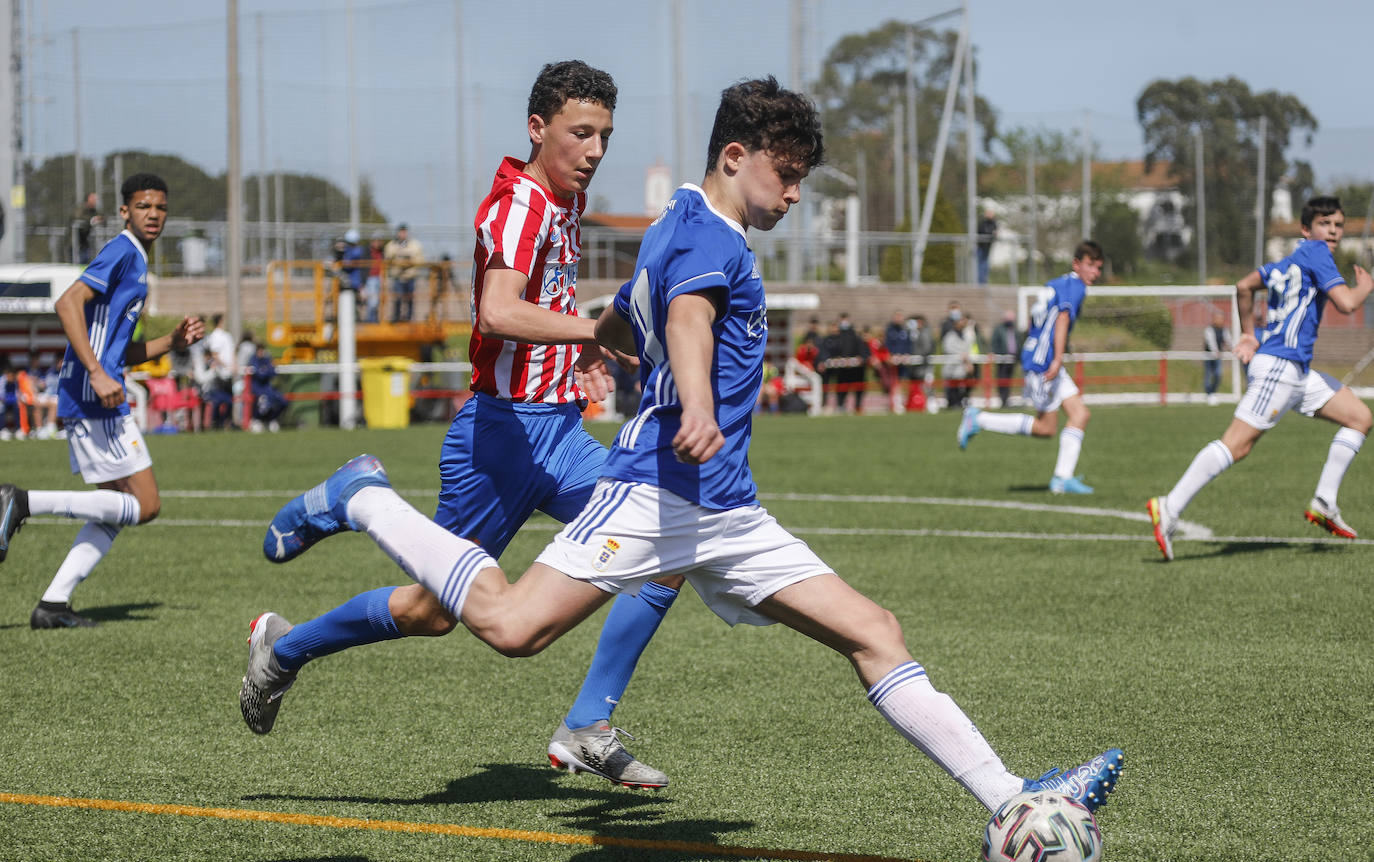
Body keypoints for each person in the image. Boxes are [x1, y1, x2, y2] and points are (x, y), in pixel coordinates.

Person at [242, 76, 1124, 817]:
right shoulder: (707, 238)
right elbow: (688, 317)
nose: (795, 195)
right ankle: (366, 501)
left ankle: (1016, 800)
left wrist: (606, 341)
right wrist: (692, 397)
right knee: (511, 628)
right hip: (659, 487)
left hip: (725, 508)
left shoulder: (675, 223)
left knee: (875, 632)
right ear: (735, 158)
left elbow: (640, 309)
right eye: (788, 175)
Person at [239, 60, 686, 790]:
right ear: (538, 128)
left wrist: (574, 363)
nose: (596, 149)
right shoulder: (518, 205)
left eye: (605, 134)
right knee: (430, 612)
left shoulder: (565, 197)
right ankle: (287, 648)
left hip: (558, 433)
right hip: (500, 441)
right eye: (581, 132)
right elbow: (498, 312)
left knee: (661, 540)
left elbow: (535, 315)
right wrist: (591, 332)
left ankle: (588, 724)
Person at [0, 172, 204, 627]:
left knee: (116, 512)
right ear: (125, 212)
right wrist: (96, 372)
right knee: (146, 505)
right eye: (144, 206)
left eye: (161, 207)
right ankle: (21, 502)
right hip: (98, 397)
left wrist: (170, 341)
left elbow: (122, 351)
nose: (154, 214)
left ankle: (53, 605)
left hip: (93, 392)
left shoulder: (135, 262)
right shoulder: (122, 252)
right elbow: (68, 302)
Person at [1148, 196, 1374, 560]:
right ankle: (1169, 507)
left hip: (1294, 370)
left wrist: (1249, 334)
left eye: (1338, 225)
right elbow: (1346, 303)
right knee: (1237, 445)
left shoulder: (1287, 262)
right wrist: (1366, 285)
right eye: (1325, 223)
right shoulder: (1316, 253)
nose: (1333, 230)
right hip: (1280, 368)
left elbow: (1243, 286)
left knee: (1360, 417)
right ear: (1306, 230)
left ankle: (1324, 501)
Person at [955, 240, 1105, 494]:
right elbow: (1062, 318)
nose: (1095, 273)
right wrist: (1057, 358)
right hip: (1044, 362)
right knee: (1046, 428)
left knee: (1080, 415)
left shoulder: (1056, 284)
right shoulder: (1076, 287)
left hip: (1039, 356)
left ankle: (1062, 479)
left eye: (1098, 268)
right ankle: (979, 419)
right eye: (1090, 265)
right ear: (1076, 264)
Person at [384, 224, 424, 322]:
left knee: (410, 299)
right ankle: (396, 318)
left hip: (410, 277)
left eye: (404, 232)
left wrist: (410, 261)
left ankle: (409, 319)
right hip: (397, 277)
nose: (402, 234)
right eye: (400, 232)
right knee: (397, 299)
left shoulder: (415, 245)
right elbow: (387, 259)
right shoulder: (391, 245)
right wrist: (398, 253)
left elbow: (421, 260)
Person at [941, 309, 975, 411]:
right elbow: (948, 349)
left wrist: (968, 362)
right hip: (952, 366)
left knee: (963, 386)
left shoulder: (966, 335)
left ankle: (959, 403)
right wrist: (961, 356)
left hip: (962, 367)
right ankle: (952, 404)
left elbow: (968, 349)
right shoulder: (950, 336)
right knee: (952, 387)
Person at [989, 310, 1020, 408]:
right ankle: (1003, 399)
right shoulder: (999, 329)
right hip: (1002, 359)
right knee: (1002, 379)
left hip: (1013, 359)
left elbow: (1019, 342)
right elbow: (994, 342)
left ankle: (1006, 399)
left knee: (1009, 379)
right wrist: (994, 353)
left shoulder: (1015, 329)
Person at [882, 311, 912, 414]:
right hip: (893, 362)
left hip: (903, 361)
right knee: (894, 383)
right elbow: (887, 345)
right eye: (897, 316)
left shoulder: (905, 330)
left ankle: (904, 402)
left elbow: (908, 344)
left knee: (904, 381)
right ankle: (895, 403)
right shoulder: (889, 330)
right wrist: (890, 356)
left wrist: (907, 354)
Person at [1202, 309, 1231, 406]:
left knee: (1218, 374)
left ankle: (1213, 392)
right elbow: (1211, 342)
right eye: (1218, 318)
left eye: (1221, 319)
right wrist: (1215, 351)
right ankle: (1209, 394)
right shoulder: (1209, 329)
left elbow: (1229, 341)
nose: (1220, 320)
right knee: (1208, 375)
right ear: (1214, 319)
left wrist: (1234, 349)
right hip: (1208, 356)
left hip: (1217, 357)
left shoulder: (1224, 330)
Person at [73, 191, 104, 264]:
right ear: (88, 199)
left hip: (86, 243)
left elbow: (103, 217)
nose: (95, 201)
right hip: (76, 242)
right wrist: (91, 220)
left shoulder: (94, 211)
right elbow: (77, 218)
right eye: (93, 198)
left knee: (86, 263)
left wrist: (99, 219)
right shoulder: (81, 209)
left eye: (96, 199)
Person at [976, 206, 997, 285]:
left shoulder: (994, 223)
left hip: (987, 248)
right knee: (980, 266)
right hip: (981, 247)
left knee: (985, 266)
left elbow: (994, 234)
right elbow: (981, 231)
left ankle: (984, 282)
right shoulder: (983, 223)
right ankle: (980, 283)